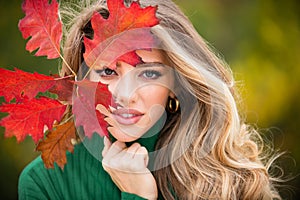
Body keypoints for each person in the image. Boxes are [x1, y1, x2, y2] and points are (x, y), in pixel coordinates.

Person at [18, 0, 282, 199]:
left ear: (176, 85)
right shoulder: (44, 182)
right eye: (108, 71)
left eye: (149, 74)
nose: (125, 95)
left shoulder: (223, 176)